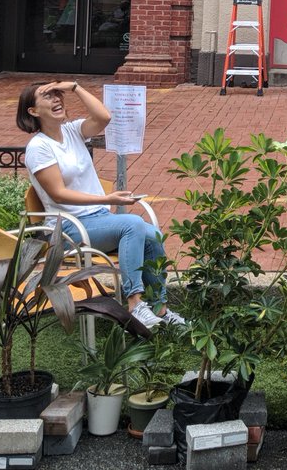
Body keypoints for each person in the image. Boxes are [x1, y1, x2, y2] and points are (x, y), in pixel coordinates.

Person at [16, 80, 182, 330]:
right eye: (48, 96)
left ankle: (160, 308)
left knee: (153, 235)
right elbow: (59, 194)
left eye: (58, 94)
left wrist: (75, 87)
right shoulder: (39, 148)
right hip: (68, 228)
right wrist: (109, 198)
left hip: (97, 219)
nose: (56, 99)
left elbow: (104, 117)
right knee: (132, 225)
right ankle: (135, 303)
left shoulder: (72, 131)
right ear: (33, 111)